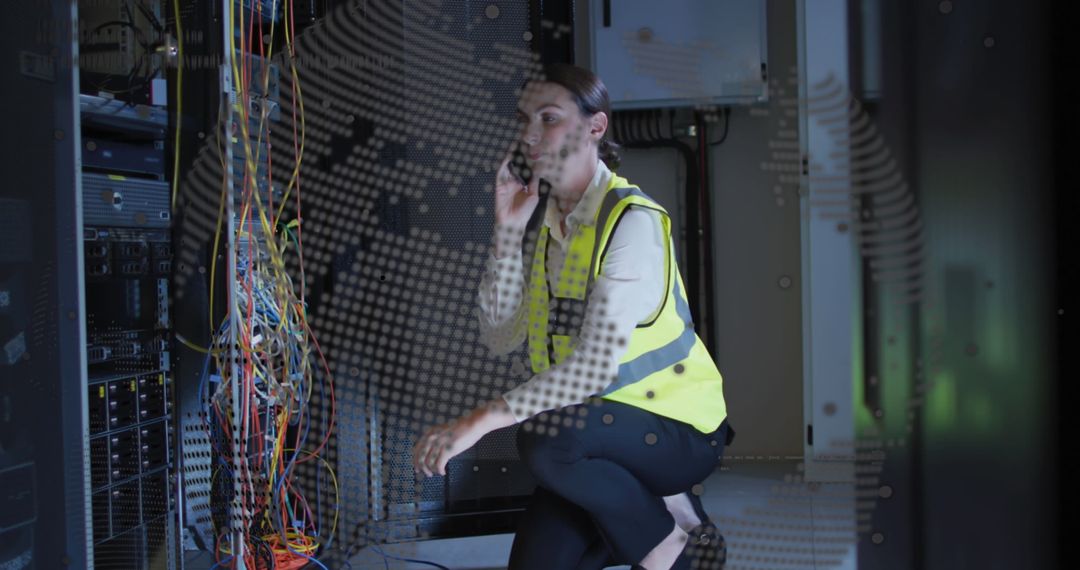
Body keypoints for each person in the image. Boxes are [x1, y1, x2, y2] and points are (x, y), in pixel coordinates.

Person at [412, 63, 733, 570]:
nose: (530, 135)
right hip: (592, 435)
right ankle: (673, 513)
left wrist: (474, 424)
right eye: (524, 120)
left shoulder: (633, 223)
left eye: (548, 118)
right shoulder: (549, 231)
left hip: (677, 429)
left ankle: (670, 545)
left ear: (595, 127)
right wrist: (507, 234)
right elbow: (501, 337)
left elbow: (592, 371)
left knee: (543, 438)